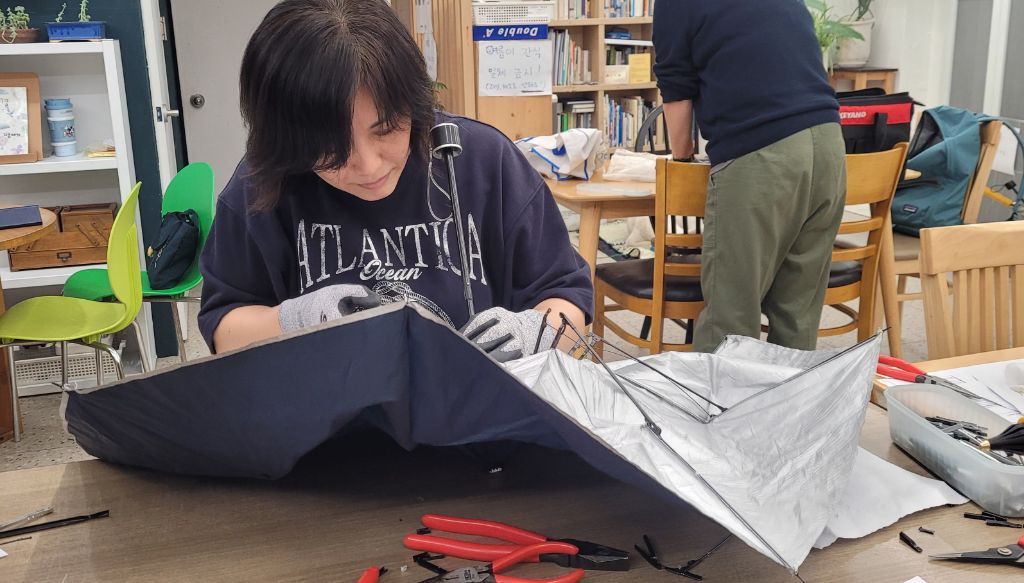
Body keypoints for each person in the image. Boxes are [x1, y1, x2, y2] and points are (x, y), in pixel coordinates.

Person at [198, 0, 592, 361]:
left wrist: (533, 331)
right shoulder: (261, 187)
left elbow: (569, 301)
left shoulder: (482, 161)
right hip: (327, 411)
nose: (369, 167)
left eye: (386, 129)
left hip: (479, 406)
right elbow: (223, 331)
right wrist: (294, 319)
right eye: (330, 149)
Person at [653, 0, 847, 352]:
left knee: (731, 319)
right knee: (797, 313)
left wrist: (682, 158)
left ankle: (724, 392)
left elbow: (676, 87)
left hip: (763, 152)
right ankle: (791, 389)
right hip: (828, 144)